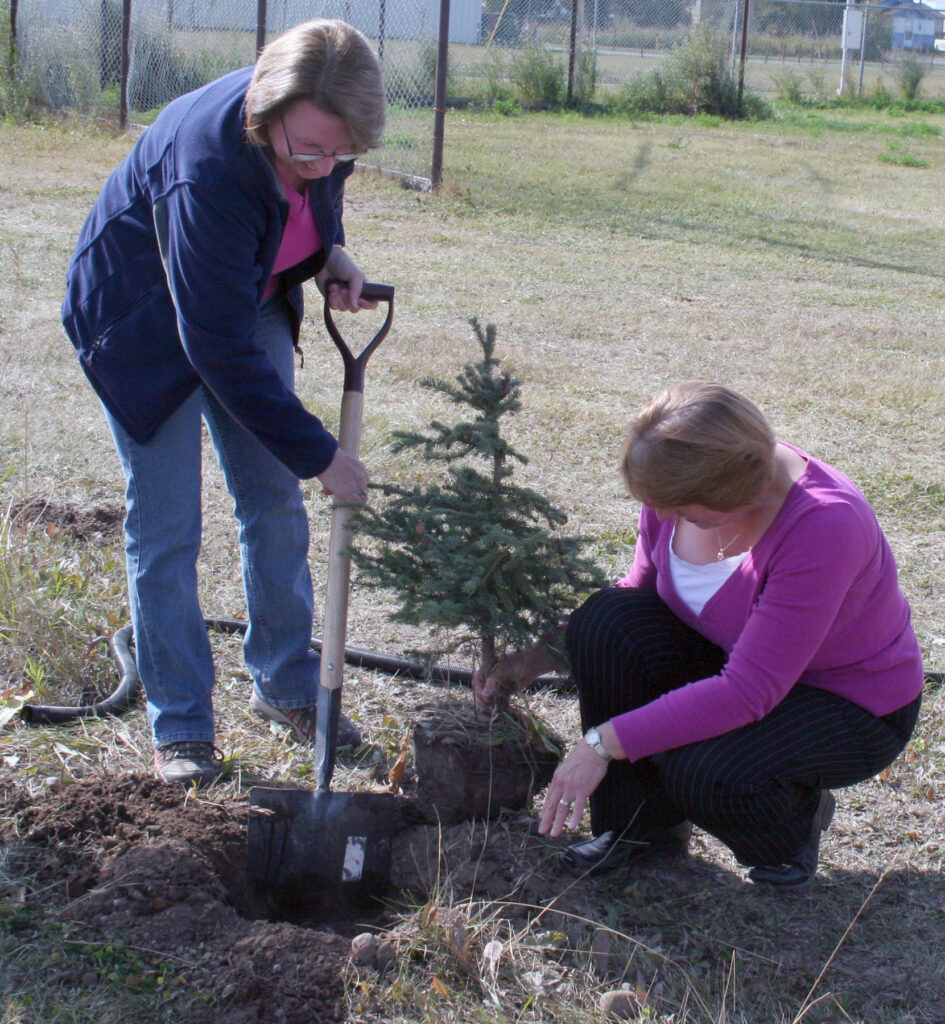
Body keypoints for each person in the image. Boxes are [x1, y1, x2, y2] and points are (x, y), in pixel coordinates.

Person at [61, 20, 386, 786]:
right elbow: (212, 345)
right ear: (267, 110)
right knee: (168, 523)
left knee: (272, 500)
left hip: (245, 298)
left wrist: (327, 250)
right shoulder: (206, 165)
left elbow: (311, 192)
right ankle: (181, 728)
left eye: (341, 153)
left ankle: (284, 686)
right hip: (142, 326)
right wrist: (321, 455)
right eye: (309, 148)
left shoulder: (320, 133)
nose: (324, 163)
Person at [474, 382, 923, 887]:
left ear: (737, 491)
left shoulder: (824, 525)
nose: (663, 517)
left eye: (683, 509)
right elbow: (635, 594)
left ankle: (794, 824)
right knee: (603, 621)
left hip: (845, 703)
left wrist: (599, 744)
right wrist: (536, 657)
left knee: (703, 772)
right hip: (739, 666)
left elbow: (748, 692)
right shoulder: (677, 486)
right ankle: (639, 829)